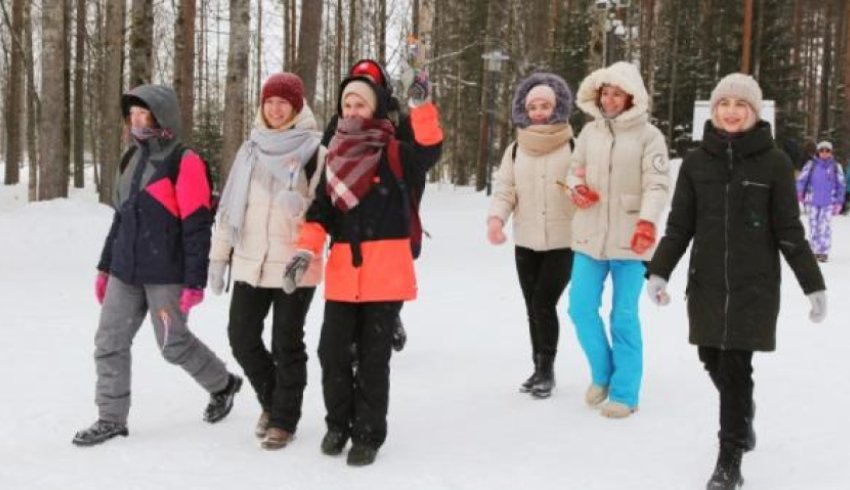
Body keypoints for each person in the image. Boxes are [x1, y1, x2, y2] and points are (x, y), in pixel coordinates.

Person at [645, 73, 827, 490]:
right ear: (714, 110)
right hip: (706, 282)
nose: (730, 111)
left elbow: (789, 231)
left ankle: (730, 459)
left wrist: (812, 284)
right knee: (711, 356)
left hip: (754, 285)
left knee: (734, 365)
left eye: (740, 105)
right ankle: (743, 412)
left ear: (754, 112)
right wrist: (659, 270)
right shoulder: (695, 161)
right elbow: (679, 226)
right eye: (723, 103)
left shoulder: (775, 162)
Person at [282, 72, 442, 466]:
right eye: (347, 104)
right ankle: (338, 424)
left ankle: (368, 434)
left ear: (374, 109)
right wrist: (305, 250)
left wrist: (421, 109)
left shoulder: (394, 150)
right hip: (343, 273)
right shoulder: (334, 154)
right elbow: (321, 212)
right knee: (331, 353)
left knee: (373, 359)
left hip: (385, 273)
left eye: (360, 104)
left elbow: (429, 150)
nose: (352, 111)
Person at [73, 85, 242, 447]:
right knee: (108, 342)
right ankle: (111, 419)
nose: (136, 120)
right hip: (125, 271)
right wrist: (105, 267)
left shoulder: (185, 161)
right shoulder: (129, 159)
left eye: (143, 113)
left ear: (161, 116)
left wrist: (194, 282)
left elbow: (197, 225)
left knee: (172, 344)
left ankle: (223, 384)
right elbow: (120, 220)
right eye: (131, 114)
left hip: (166, 274)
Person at [207, 73, 325, 450]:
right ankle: (272, 402)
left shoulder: (315, 151)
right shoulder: (250, 150)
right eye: (269, 102)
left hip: (293, 262)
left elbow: (325, 212)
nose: (275, 109)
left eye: (283, 102)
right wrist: (218, 257)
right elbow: (231, 208)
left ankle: (284, 420)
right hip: (250, 260)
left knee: (286, 343)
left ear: (296, 106)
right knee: (241, 338)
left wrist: (300, 209)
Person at [565, 61, 670, 418]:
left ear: (631, 96)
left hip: (630, 240)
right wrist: (577, 189)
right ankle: (602, 373)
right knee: (579, 309)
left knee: (623, 316)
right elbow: (573, 169)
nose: (609, 99)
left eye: (617, 93)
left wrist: (646, 222)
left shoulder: (649, 136)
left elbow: (657, 184)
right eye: (604, 93)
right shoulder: (589, 132)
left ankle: (625, 392)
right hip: (588, 236)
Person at [486, 73, 576, 399]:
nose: (539, 111)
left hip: (564, 241)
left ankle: (547, 370)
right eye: (533, 106)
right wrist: (496, 220)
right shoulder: (515, 149)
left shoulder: (572, 145)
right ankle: (538, 366)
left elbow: (583, 186)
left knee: (543, 303)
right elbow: (506, 189)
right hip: (526, 240)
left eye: (545, 105)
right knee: (531, 306)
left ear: (558, 106)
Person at [322, 58, 413, 352]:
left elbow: (413, 159)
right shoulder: (339, 121)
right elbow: (327, 155)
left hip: (388, 201)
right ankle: (353, 336)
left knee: (386, 269)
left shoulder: (396, 116)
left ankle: (389, 317)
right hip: (347, 209)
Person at [796, 140, 845, 262]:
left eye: (827, 150)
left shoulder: (835, 167)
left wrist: (839, 202)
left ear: (831, 152)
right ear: (818, 152)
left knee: (824, 227)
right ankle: (814, 250)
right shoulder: (811, 165)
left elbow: (841, 185)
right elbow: (801, 180)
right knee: (814, 226)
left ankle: (823, 252)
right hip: (812, 201)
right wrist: (799, 193)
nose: (824, 153)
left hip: (828, 202)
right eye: (822, 150)